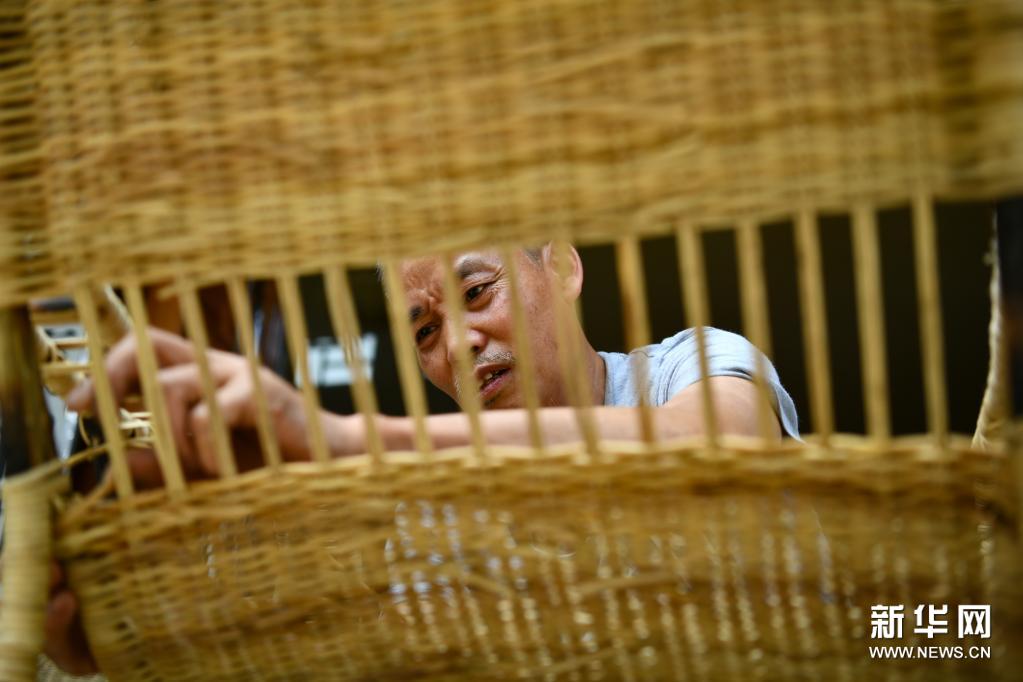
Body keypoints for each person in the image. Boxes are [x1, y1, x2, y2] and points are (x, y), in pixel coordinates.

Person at [44, 243, 798, 673]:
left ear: (563, 268)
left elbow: (719, 446)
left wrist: (347, 442)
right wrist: (139, 646)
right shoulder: (436, 522)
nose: (459, 344)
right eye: (425, 331)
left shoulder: (687, 367)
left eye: (478, 293)